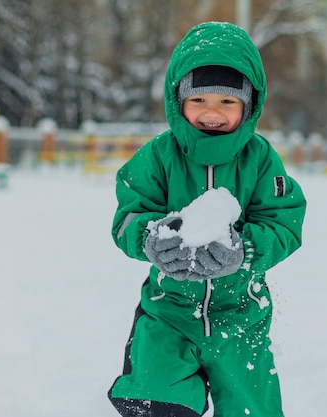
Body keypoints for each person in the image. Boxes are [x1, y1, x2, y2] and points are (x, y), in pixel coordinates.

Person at [108, 21, 307, 417]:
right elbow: (128, 216)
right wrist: (150, 237)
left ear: (249, 105)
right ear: (177, 99)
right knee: (153, 398)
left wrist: (245, 248)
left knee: (251, 409)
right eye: (199, 100)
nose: (211, 113)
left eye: (227, 102)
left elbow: (283, 221)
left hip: (240, 315)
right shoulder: (158, 156)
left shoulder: (262, 160)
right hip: (169, 311)